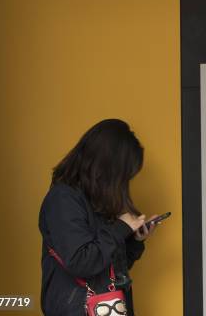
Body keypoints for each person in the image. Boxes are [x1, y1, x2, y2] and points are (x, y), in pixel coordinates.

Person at [39, 119, 158, 315]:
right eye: (122, 175)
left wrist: (135, 241)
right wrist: (120, 228)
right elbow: (81, 262)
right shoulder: (63, 199)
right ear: (105, 167)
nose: (122, 183)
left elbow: (108, 271)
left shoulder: (97, 199)